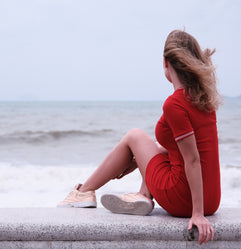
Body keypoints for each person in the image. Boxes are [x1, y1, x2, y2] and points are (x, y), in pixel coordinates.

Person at [57, 30, 221, 245]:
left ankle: (84, 192)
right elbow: (190, 152)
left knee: (134, 136)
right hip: (211, 199)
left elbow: (192, 159)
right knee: (155, 145)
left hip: (184, 200)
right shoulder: (204, 100)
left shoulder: (175, 104)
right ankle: (143, 195)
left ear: (165, 62)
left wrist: (197, 214)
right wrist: (138, 161)